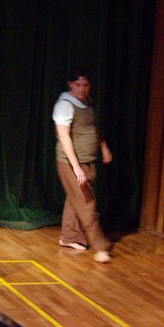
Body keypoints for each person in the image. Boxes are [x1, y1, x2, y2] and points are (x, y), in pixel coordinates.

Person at [52, 67, 112, 263]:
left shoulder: (87, 102)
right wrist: (76, 167)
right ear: (70, 84)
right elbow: (64, 137)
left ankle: (69, 236)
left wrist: (103, 147)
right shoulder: (64, 105)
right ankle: (100, 247)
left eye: (85, 85)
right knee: (87, 204)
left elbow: (93, 128)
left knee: (75, 199)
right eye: (78, 84)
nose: (82, 88)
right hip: (70, 163)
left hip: (88, 160)